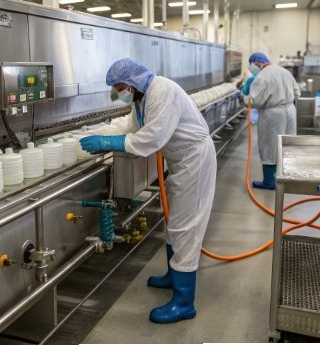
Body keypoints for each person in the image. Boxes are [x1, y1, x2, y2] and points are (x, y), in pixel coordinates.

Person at [80, 58, 217, 324]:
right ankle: (172, 276)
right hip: (180, 161)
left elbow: (152, 137)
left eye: (119, 87)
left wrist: (108, 142)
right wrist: (97, 133)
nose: (118, 92)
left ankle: (184, 302)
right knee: (174, 220)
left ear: (131, 84)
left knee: (186, 226)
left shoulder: (162, 91)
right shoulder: (141, 99)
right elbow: (129, 128)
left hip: (194, 161)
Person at [247, 52, 300, 190]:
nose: (251, 68)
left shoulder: (262, 76)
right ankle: (286, 177)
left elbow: (254, 100)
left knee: (270, 145)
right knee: (286, 144)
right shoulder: (284, 71)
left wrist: (241, 97)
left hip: (273, 114)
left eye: (251, 64)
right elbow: (297, 92)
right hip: (290, 109)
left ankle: (269, 181)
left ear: (257, 63)